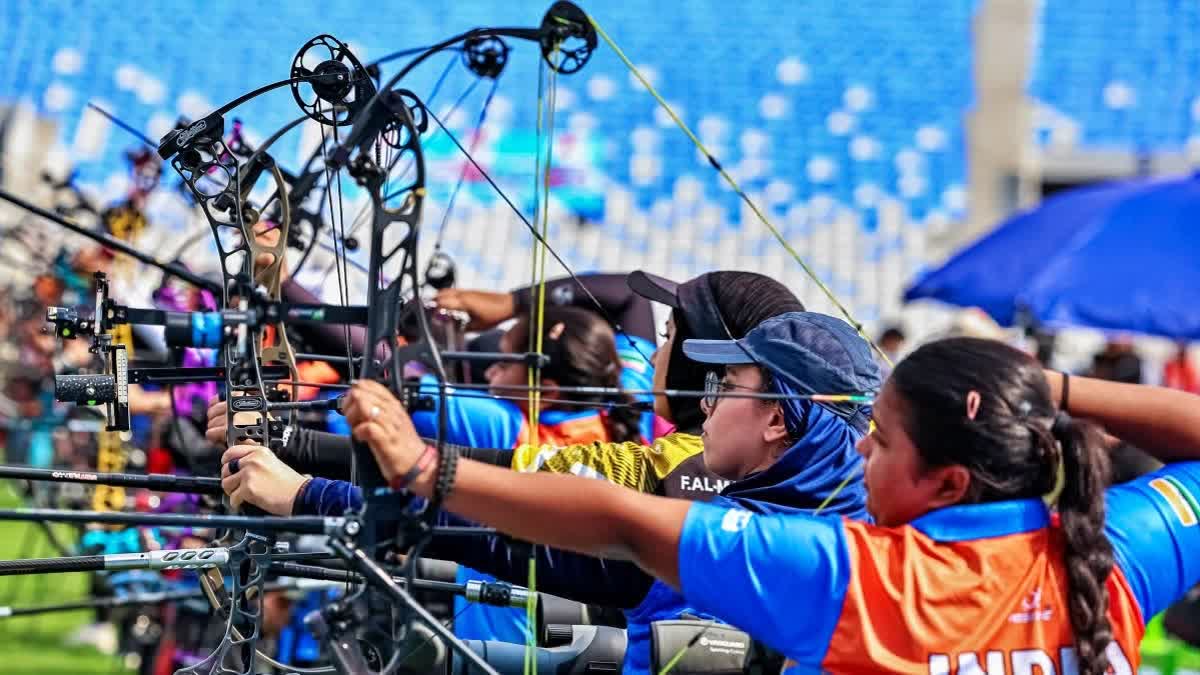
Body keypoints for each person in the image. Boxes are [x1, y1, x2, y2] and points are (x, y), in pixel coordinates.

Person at [272, 335, 1200, 675]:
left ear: (948, 484)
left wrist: (425, 470)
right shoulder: (1104, 555)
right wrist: (1056, 390)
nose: (862, 455)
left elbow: (618, 520)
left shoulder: (864, 580)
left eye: (880, 442)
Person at [221, 309, 880, 674]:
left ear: (776, 416)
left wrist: (308, 492)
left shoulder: (771, 549)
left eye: (726, 386)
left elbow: (519, 537)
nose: (704, 405)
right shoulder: (848, 533)